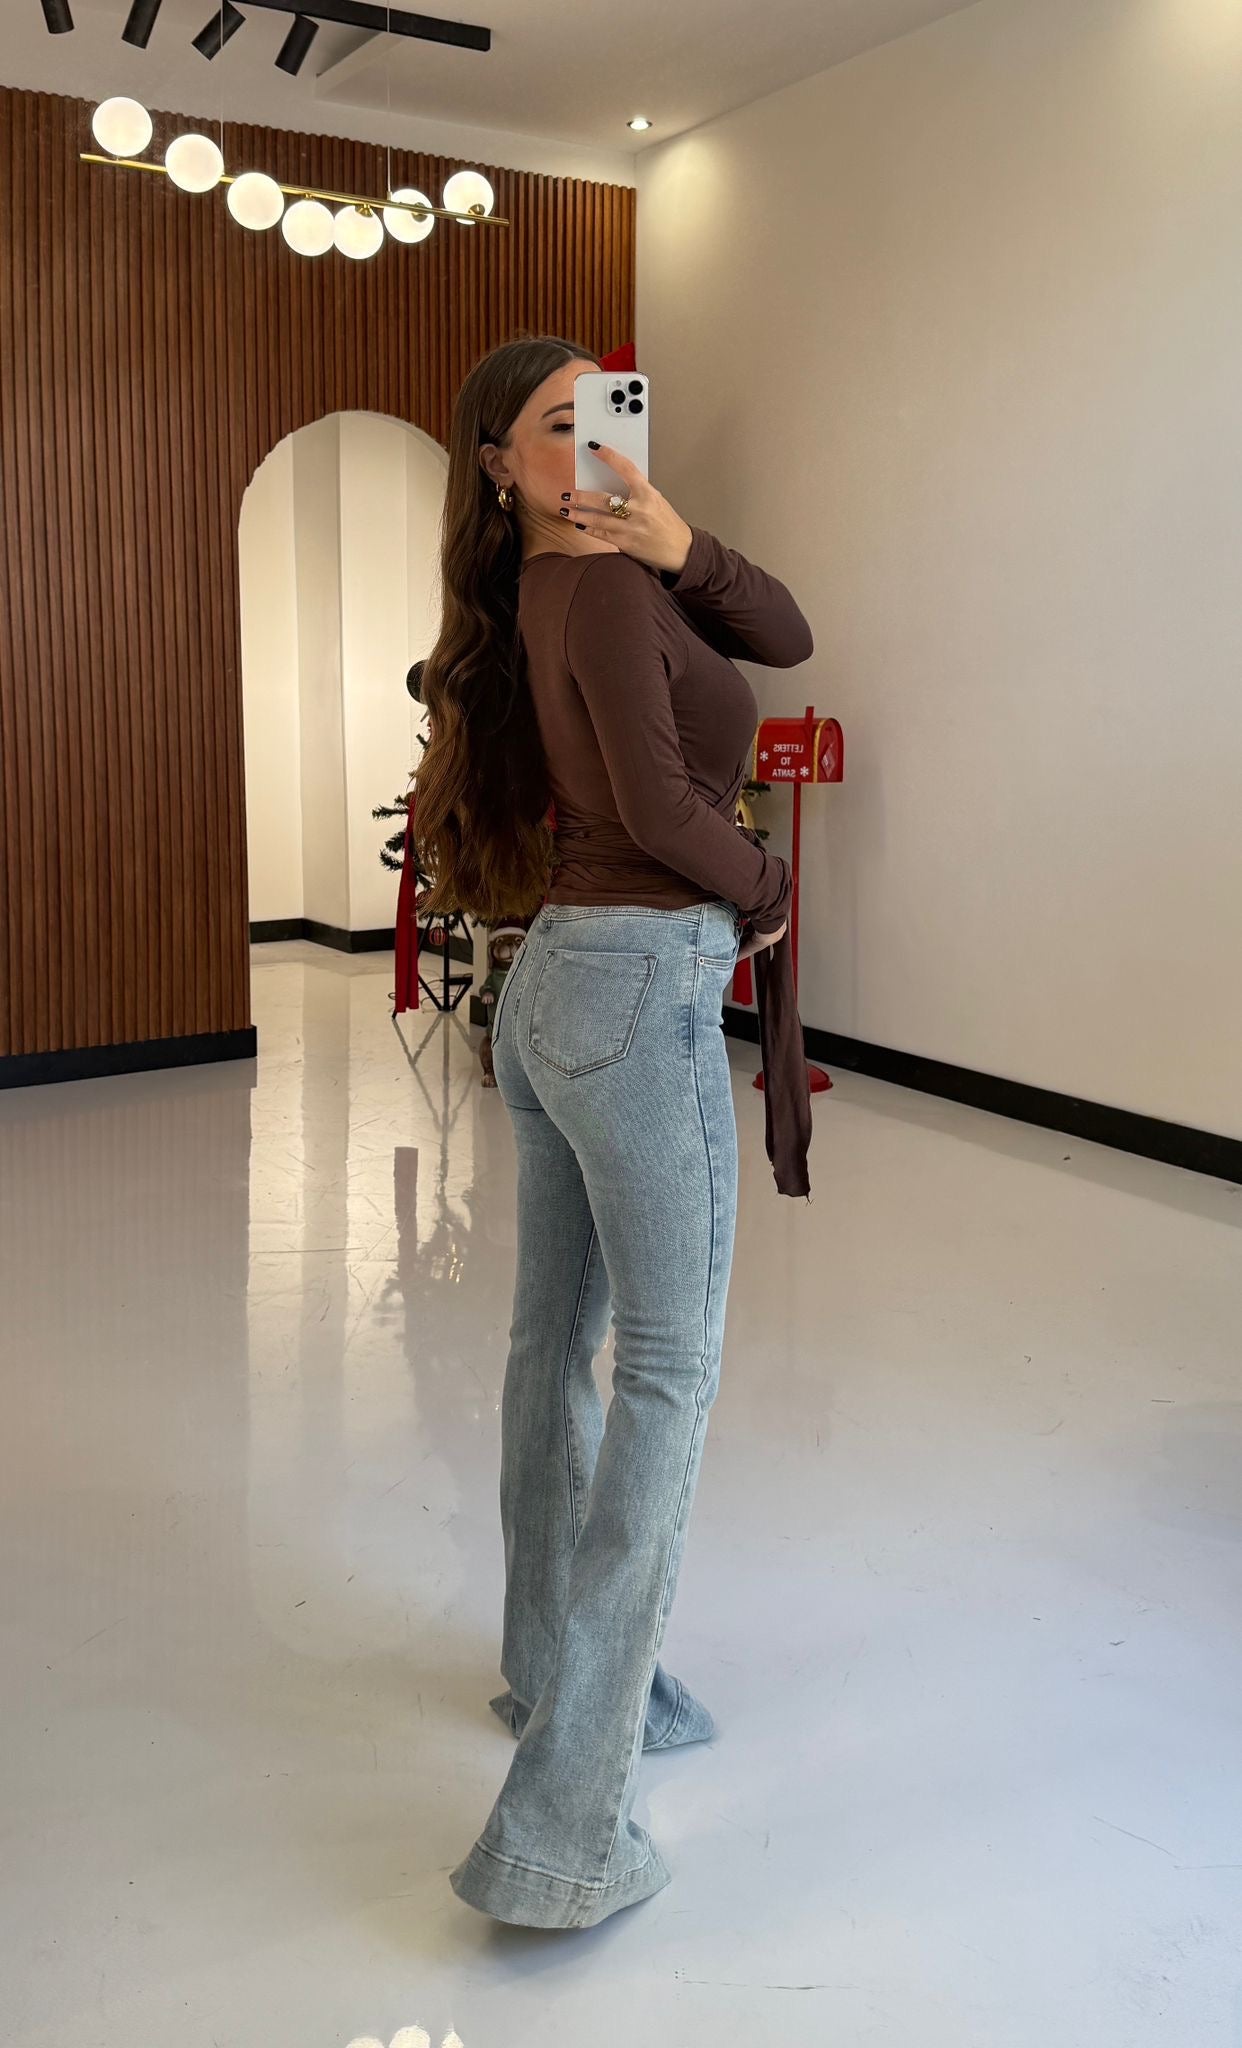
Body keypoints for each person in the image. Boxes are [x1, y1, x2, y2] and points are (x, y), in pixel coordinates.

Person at [412, 334, 814, 1930]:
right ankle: (563, 1831)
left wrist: (679, 538)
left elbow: (782, 631)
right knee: (664, 1372)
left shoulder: (598, 576)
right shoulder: (584, 593)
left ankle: (553, 1670)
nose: (594, 441)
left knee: (549, 1349)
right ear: (498, 466)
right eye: (556, 424)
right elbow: (656, 807)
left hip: (561, 988)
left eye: (611, 412)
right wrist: (769, 890)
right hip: (634, 988)